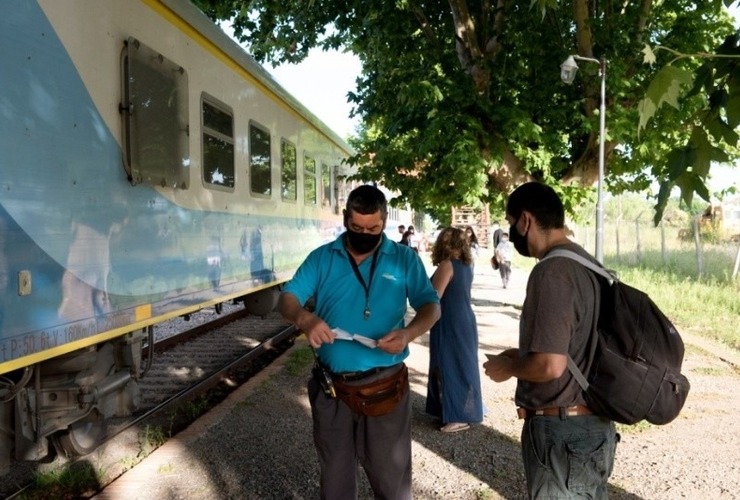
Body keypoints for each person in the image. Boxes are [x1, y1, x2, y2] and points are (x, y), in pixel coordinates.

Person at [278, 184, 441, 499]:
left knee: (392, 484)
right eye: (356, 227)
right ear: (344, 219)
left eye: (373, 228)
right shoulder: (322, 258)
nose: (365, 233)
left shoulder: (404, 259)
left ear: (383, 222)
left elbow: (431, 306)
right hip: (332, 390)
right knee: (335, 482)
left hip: (385, 389)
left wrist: (408, 334)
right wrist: (304, 318)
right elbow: (287, 298)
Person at [482, 182, 618, 499]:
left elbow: (550, 365)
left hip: (563, 434)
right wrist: (521, 354)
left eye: (511, 222)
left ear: (526, 220)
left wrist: (510, 366)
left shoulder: (553, 271)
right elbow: (573, 346)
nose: (512, 232)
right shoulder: (588, 264)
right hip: (590, 429)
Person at [425, 227, 483, 433]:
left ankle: (457, 414)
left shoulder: (446, 265)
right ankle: (460, 409)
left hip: (449, 321)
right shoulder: (466, 265)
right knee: (463, 364)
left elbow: (434, 297)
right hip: (464, 319)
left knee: (447, 364)